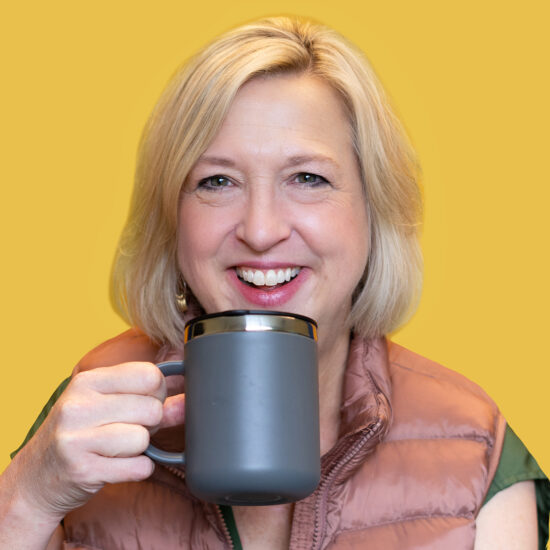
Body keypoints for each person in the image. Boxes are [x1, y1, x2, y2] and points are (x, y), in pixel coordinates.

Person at [0, 16, 548, 550]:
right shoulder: (86, 411)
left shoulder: (475, 446)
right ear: (172, 216)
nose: (261, 231)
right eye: (217, 181)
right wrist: (27, 497)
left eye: (308, 178)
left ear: (373, 208)